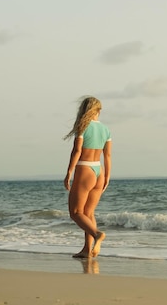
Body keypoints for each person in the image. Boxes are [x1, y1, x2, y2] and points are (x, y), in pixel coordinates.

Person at [63, 96, 112, 258]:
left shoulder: (83, 126)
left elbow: (77, 151)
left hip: (85, 168)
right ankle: (87, 249)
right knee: (88, 213)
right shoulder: (106, 130)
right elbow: (108, 156)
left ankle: (97, 234)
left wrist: (69, 172)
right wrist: (107, 177)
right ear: (98, 111)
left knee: (76, 212)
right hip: (100, 170)